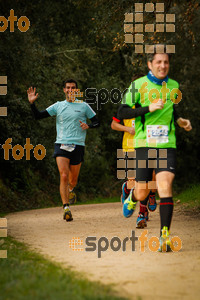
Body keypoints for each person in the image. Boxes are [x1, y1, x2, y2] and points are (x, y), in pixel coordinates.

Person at [120, 47, 192, 251]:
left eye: (166, 62)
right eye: (158, 62)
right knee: (143, 192)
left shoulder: (174, 86)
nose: (163, 65)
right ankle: (132, 197)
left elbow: (171, 108)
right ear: (150, 64)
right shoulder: (138, 85)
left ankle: (164, 235)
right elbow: (122, 111)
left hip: (167, 145)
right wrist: (147, 108)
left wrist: (180, 121)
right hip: (143, 144)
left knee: (164, 187)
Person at [27, 79, 99, 221]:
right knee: (64, 175)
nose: (70, 90)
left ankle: (71, 190)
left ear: (76, 91)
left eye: (73, 88)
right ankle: (66, 207)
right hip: (61, 144)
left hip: (78, 145)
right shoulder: (58, 106)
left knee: (73, 180)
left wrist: (88, 126)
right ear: (64, 90)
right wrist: (32, 103)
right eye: (68, 88)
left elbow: (97, 121)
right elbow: (38, 116)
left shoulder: (84, 106)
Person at [111, 76, 158, 229]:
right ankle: (128, 190)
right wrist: (127, 129)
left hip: (148, 146)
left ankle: (145, 207)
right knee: (135, 184)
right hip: (129, 147)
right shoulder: (125, 106)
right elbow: (113, 124)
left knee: (150, 181)